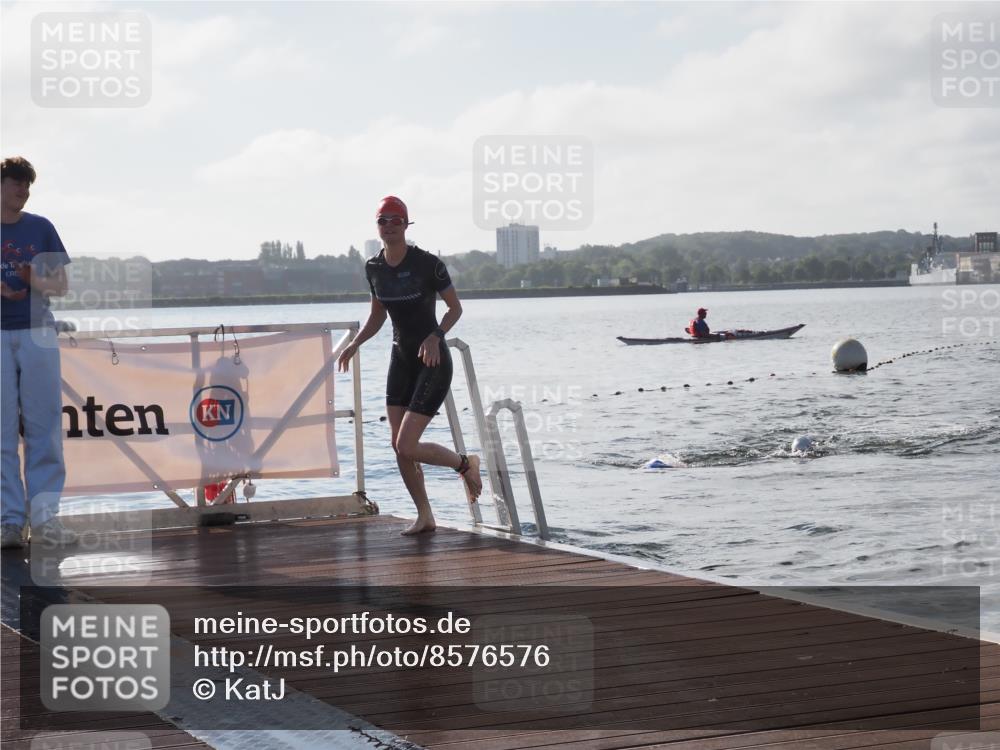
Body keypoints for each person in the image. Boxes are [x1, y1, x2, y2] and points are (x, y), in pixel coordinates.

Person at [337, 196, 482, 535]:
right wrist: (355, 343)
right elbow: (377, 315)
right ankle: (425, 515)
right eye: (382, 220)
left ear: (406, 225)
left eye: (395, 220)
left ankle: (465, 464)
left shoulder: (427, 264)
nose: (389, 225)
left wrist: (435, 336)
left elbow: (455, 309)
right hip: (401, 359)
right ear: (377, 226)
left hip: (432, 360)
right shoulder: (373, 268)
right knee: (398, 446)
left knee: (407, 444)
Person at [1, 156, 77, 548]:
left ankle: (46, 521)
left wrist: (34, 279)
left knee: (44, 429)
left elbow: (61, 286)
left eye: (27, 184)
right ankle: (9, 523)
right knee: (0, 435)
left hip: (37, 334)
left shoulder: (40, 227)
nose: (23, 190)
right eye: (15, 182)